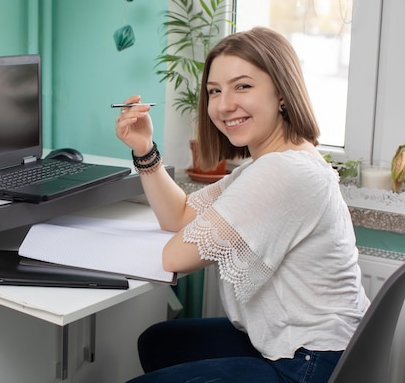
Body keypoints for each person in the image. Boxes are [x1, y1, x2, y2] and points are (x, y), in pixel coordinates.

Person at [114, 27, 370, 383]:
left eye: (243, 86)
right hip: (305, 344)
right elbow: (179, 215)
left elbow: (175, 257)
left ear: (282, 92)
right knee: (159, 343)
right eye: (214, 91)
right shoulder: (270, 162)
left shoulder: (284, 170)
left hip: (310, 362)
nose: (223, 105)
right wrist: (144, 148)